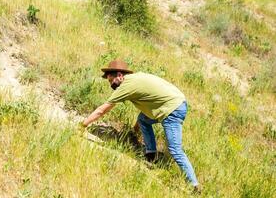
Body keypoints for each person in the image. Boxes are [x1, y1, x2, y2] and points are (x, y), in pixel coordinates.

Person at [81, 60, 200, 192]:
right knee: (143, 120)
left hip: (173, 109)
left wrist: (83, 125)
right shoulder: (135, 79)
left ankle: (194, 186)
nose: (111, 85)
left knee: (175, 150)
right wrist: (134, 131)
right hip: (174, 102)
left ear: (119, 75)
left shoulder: (126, 86)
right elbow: (148, 104)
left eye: (111, 81)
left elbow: (102, 110)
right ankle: (151, 155)